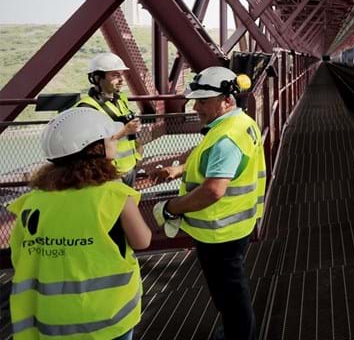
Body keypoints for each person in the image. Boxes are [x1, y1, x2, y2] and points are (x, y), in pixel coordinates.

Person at [8, 108, 152, 340]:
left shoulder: (31, 202)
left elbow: (20, 255)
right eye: (111, 139)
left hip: (53, 318)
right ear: (96, 149)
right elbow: (142, 241)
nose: (115, 142)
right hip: (110, 316)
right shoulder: (115, 195)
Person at [151, 66, 263, 340]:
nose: (195, 106)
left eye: (202, 101)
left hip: (219, 231)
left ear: (226, 100)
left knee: (231, 294)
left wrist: (170, 208)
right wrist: (179, 169)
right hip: (233, 224)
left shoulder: (227, 138)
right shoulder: (237, 123)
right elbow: (207, 148)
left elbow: (213, 191)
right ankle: (235, 330)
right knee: (231, 291)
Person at [76, 53, 142, 186]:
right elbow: (91, 146)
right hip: (110, 174)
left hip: (130, 168)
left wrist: (138, 155)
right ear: (97, 78)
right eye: (115, 75)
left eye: (121, 75)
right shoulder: (86, 107)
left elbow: (131, 133)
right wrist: (125, 131)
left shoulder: (121, 99)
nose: (121, 80)